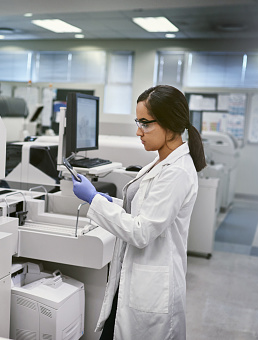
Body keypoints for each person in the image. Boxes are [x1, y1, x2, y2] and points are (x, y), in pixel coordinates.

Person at [72, 85, 206, 340]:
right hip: (132, 281)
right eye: (138, 122)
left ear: (169, 126)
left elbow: (142, 231)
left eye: (145, 124)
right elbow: (145, 209)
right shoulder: (161, 160)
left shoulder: (176, 171)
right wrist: (107, 200)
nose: (138, 132)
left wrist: (92, 200)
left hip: (151, 289)